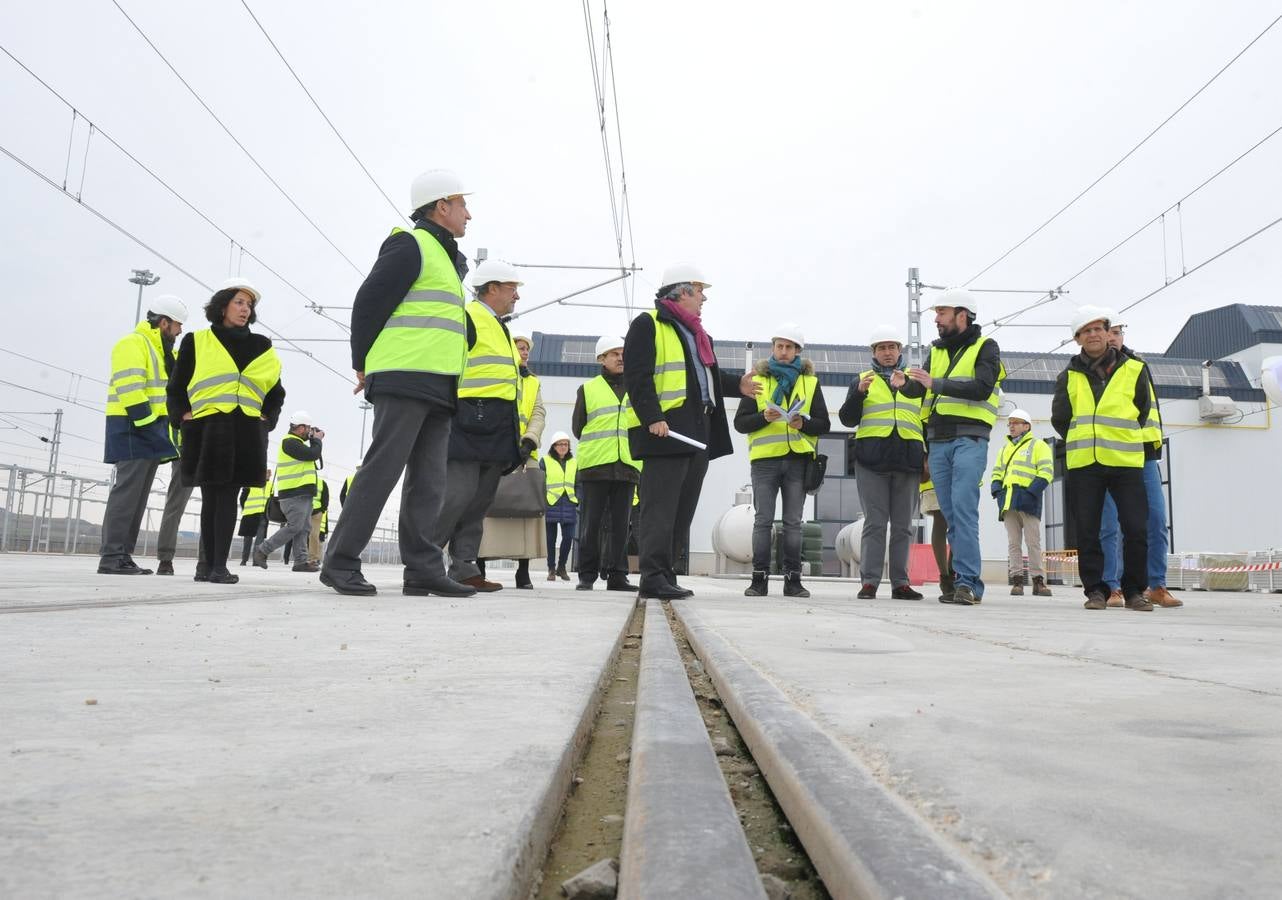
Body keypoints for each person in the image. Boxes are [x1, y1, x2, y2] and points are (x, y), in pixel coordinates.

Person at [320, 169, 476, 598]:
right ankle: (340, 561)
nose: (469, 214)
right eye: (463, 204)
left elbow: (438, 317)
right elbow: (369, 302)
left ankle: (422, 569)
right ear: (441, 206)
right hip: (405, 376)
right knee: (382, 471)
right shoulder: (410, 244)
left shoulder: (445, 258)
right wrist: (361, 363)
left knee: (429, 482)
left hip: (439, 383)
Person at [622, 263, 760, 600]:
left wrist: (736, 385)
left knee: (682, 510)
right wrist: (652, 416)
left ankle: (665, 572)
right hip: (664, 431)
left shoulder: (698, 334)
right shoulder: (648, 325)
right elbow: (638, 376)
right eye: (700, 292)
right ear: (682, 291)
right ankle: (652, 576)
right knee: (660, 509)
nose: (703, 299)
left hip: (698, 431)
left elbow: (706, 380)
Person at [168, 278, 284, 584]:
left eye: (249, 305)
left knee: (228, 497)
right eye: (239, 302)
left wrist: (267, 420)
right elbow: (176, 386)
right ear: (222, 306)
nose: (245, 309)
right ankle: (208, 566)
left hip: (245, 432)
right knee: (211, 498)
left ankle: (217, 565)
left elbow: (276, 393)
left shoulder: (262, 347)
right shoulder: (197, 340)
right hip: (207, 430)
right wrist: (182, 416)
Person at [431, 258, 529, 592]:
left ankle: (464, 567)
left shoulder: (499, 325)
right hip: (469, 418)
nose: (516, 296)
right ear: (492, 289)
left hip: (496, 423)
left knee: (479, 500)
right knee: (456, 496)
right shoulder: (469, 317)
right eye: (511, 288)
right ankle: (425, 563)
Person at [1051, 306, 1154, 611]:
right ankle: (1096, 590)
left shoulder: (1135, 369)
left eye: (1099, 329)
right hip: (1085, 463)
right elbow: (1061, 418)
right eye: (1087, 331)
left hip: (1125, 461)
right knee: (1088, 530)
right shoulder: (1067, 376)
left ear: (1109, 334)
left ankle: (1134, 591)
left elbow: (1142, 410)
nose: (1094, 335)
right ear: (1077, 339)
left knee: (1136, 528)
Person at [907, 288, 1005, 606]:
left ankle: (966, 583)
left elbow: (981, 387)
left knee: (963, 510)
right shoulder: (935, 352)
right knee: (950, 514)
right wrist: (905, 384)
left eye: (942, 313)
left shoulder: (985, 347)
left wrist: (935, 383)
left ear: (962, 315)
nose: (936, 319)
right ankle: (964, 582)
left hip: (969, 439)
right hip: (938, 442)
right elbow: (920, 389)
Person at [734, 323, 830, 598]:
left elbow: (823, 423)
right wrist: (763, 418)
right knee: (763, 520)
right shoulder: (758, 381)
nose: (784, 351)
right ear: (773, 348)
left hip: (798, 460)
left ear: (798, 351)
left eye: (789, 347)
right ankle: (759, 579)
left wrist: (804, 423)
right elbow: (740, 423)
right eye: (779, 346)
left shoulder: (810, 383)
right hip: (765, 461)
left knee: (793, 522)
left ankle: (793, 580)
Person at [1097, 310, 1183, 609]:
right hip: (1106, 455)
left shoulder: (1138, 366)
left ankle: (1156, 585)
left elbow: (1148, 411)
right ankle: (1111, 587)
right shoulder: (1090, 370)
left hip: (1142, 454)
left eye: (1118, 333)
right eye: (1109, 333)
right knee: (1109, 525)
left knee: (1156, 521)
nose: (1113, 338)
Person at [98, 295, 189, 575]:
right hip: (131, 426)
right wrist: (148, 424)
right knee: (126, 494)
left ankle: (123, 554)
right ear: (164, 323)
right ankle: (111, 557)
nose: (179, 332)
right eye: (177, 326)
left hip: (149, 430)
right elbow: (129, 387)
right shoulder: (133, 343)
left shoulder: (161, 351)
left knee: (137, 497)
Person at [840, 325, 925, 601]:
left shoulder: (915, 381)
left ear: (900, 350)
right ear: (874, 353)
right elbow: (847, 419)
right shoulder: (862, 380)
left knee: (903, 525)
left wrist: (927, 459)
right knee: (875, 523)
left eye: (892, 347)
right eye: (882, 348)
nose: (888, 353)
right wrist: (858, 394)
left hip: (908, 461)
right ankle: (870, 582)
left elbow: (926, 420)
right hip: (872, 461)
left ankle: (901, 582)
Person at [477, 330, 546, 589]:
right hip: (494, 448)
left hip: (525, 451)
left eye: (526, 349)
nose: (524, 352)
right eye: (519, 348)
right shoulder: (496, 375)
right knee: (484, 508)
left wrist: (529, 440)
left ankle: (523, 571)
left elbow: (538, 413)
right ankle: (479, 566)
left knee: (525, 509)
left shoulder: (534, 383)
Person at [571, 335, 640, 591]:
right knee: (592, 523)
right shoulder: (588, 389)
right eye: (614, 353)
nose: (621, 357)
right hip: (595, 466)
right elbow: (578, 428)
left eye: (624, 353)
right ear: (602, 359)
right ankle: (586, 575)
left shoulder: (637, 387)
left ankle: (617, 576)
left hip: (627, 466)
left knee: (622, 526)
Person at [989, 409, 1054, 596]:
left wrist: (1030, 492)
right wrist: (996, 490)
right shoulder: (1004, 448)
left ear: (1027, 426)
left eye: (1016, 422)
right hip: (1009, 501)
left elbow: (1046, 472)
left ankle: (1038, 581)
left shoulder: (1038, 445)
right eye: (1010, 423)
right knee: (1013, 543)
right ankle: (1017, 581)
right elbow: (997, 472)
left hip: (1029, 500)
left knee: (1033, 542)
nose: (1011, 426)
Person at [253, 412, 323, 572]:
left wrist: (314, 440)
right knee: (295, 526)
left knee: (304, 528)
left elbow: (311, 455)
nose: (309, 432)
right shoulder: (289, 442)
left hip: (302, 493)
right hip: (293, 494)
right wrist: (317, 440)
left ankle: (300, 561)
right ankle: (262, 550)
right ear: (300, 428)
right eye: (308, 429)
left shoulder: (297, 442)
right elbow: (313, 454)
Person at [541, 432, 578, 581]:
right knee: (550, 539)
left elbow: (579, 483)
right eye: (560, 444)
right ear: (553, 446)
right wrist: (543, 500)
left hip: (569, 502)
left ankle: (561, 567)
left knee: (568, 537)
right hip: (551, 502)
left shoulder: (574, 462)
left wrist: (578, 499)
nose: (563, 447)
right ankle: (551, 568)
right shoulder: (545, 461)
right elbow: (540, 483)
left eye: (566, 444)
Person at [920, 455, 953, 600]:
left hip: (956, 473)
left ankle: (951, 573)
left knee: (958, 525)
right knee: (941, 521)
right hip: (934, 477)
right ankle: (946, 577)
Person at [237, 470, 271, 566]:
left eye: (269, 474)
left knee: (260, 539)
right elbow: (242, 498)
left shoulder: (271, 485)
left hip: (263, 515)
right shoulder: (250, 483)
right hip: (250, 514)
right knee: (248, 538)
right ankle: (244, 559)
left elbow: (271, 500)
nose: (268, 475)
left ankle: (256, 560)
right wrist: (246, 508)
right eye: (266, 473)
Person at [308, 479, 330, 567]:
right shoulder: (303, 479)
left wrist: (322, 510)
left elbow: (325, 497)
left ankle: (313, 559)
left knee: (314, 535)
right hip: (303, 511)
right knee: (301, 535)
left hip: (316, 512)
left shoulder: (322, 483)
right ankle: (302, 558)